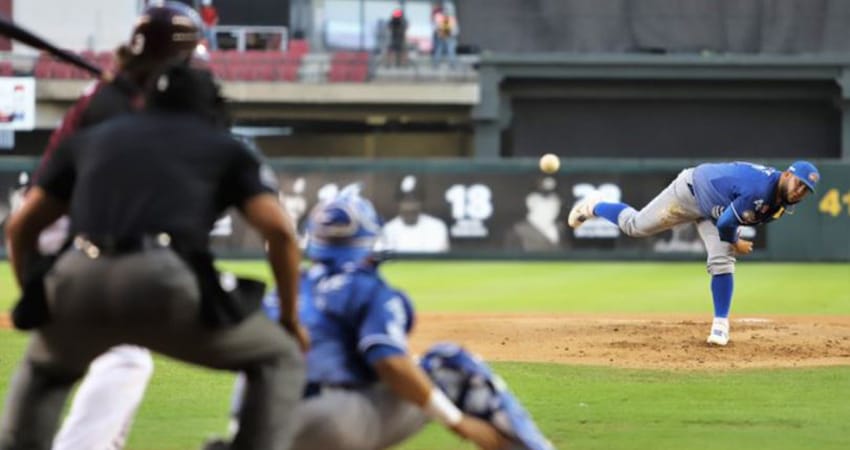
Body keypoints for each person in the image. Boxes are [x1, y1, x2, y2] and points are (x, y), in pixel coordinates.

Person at [0, 63, 308, 450]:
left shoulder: (90, 139)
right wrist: (290, 318)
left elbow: (20, 227)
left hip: (76, 275)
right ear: (210, 105)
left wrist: (36, 293)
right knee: (279, 358)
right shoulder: (225, 147)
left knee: (45, 371)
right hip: (161, 277)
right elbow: (278, 231)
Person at [11, 4, 211, 449]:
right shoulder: (119, 102)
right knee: (126, 355)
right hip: (70, 225)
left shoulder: (126, 95)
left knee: (118, 353)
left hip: (65, 223)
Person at [222, 189, 543, 450]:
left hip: (259, 427)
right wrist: (457, 422)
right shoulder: (368, 288)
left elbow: (251, 365)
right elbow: (389, 362)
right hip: (330, 422)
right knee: (449, 363)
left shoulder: (286, 292)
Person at [567, 160, 821, 346]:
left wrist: (731, 238)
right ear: (788, 174)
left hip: (716, 207)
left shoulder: (778, 201)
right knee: (635, 226)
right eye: (800, 183)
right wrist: (736, 241)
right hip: (690, 191)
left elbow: (729, 218)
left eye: (806, 190)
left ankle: (720, 324)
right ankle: (594, 206)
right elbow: (726, 225)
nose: (800, 191)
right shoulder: (760, 191)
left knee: (722, 260)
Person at [383, 175, 450, 253]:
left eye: (414, 200)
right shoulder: (388, 230)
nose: (410, 206)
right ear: (398, 203)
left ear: (421, 202)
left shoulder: (437, 227)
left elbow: (443, 261)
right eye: (406, 200)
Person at [504, 176, 566, 252]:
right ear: (530, 201)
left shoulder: (562, 228)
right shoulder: (517, 231)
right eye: (544, 200)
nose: (552, 204)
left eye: (555, 199)